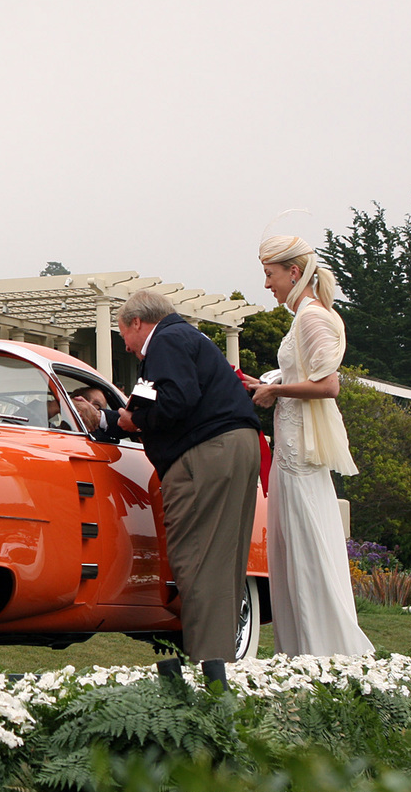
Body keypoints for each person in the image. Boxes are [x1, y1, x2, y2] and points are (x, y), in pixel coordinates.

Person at [102, 289, 261, 688]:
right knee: (223, 563)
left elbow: (175, 401)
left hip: (205, 456)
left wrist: (135, 421)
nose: (127, 346)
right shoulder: (190, 338)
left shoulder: (167, 340)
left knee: (196, 562)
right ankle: (220, 665)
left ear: (139, 322)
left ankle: (209, 673)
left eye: (124, 334)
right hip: (236, 446)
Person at [244, 234, 374, 658]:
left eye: (270, 274)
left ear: (294, 272)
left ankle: (321, 651)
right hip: (290, 450)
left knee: (306, 550)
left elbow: (328, 385)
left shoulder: (311, 318)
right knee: (292, 550)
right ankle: (301, 650)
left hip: (299, 454)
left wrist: (275, 393)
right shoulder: (305, 317)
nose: (267, 284)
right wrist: (270, 383)